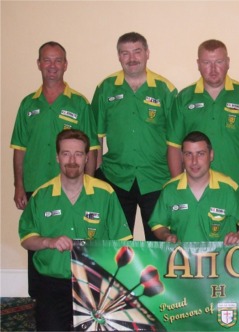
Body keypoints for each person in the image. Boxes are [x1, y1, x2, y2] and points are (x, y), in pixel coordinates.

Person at [18, 129, 132, 331]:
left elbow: (122, 241)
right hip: (52, 283)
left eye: (78, 154)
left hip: (94, 284)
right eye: (66, 153)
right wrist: (48, 241)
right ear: (57, 157)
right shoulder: (41, 195)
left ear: (87, 157)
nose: (72, 160)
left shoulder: (105, 193)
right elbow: (27, 238)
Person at [10, 41, 99, 297]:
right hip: (36, 185)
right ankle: (41, 296)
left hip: (74, 185)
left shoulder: (79, 103)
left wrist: (89, 184)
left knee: (78, 239)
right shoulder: (28, 104)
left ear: (65, 64)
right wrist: (18, 185)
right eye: (47, 60)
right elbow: (19, 148)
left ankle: (84, 296)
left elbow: (92, 149)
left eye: (58, 60)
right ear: (39, 64)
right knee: (37, 238)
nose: (52, 65)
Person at [92, 32, 177, 241]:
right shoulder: (105, 89)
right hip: (116, 179)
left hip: (157, 180)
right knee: (114, 244)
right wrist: (97, 176)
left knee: (159, 245)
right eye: (125, 53)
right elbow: (96, 139)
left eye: (137, 51)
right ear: (119, 56)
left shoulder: (165, 90)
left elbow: (176, 140)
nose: (132, 58)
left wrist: (176, 179)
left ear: (147, 53)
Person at [167, 39, 239, 206]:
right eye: (207, 62)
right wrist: (178, 184)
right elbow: (174, 146)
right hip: (196, 191)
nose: (213, 69)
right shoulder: (184, 99)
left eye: (219, 62)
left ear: (228, 63)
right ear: (198, 64)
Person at [150, 131, 239, 245]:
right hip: (181, 261)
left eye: (200, 154)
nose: (194, 161)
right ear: (182, 157)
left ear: (211, 155)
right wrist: (166, 235)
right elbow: (158, 224)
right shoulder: (170, 190)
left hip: (219, 260)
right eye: (188, 154)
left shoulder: (228, 188)